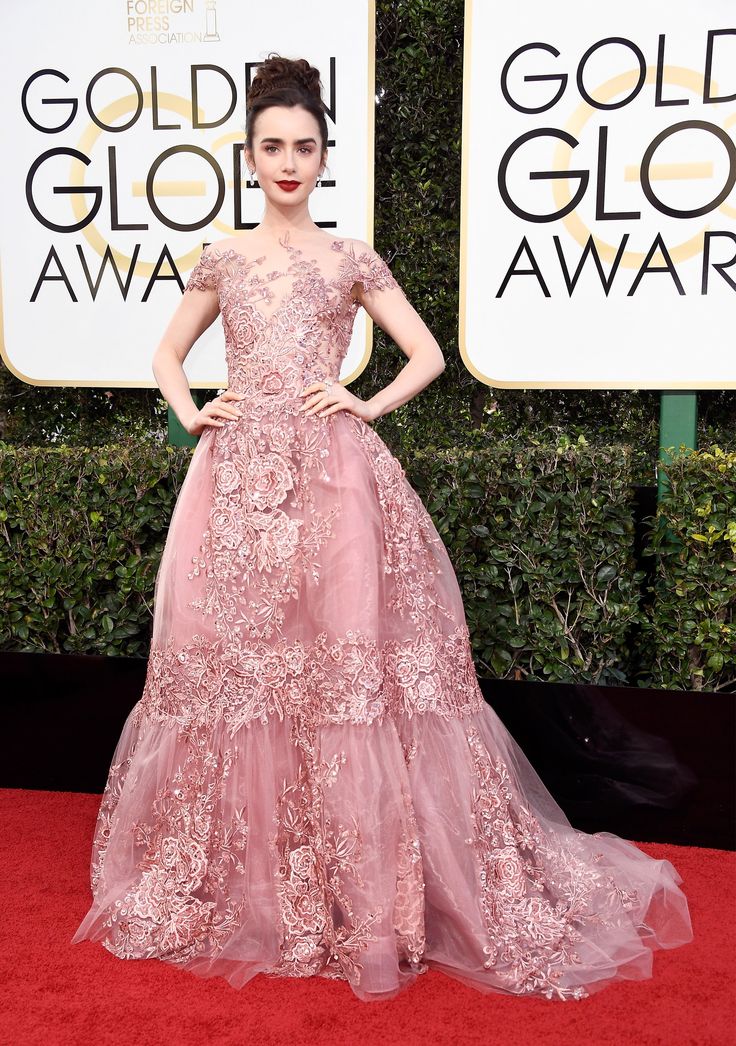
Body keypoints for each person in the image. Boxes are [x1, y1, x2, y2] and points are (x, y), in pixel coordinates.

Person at [71, 54, 693, 1003]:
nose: (290, 162)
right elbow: (166, 350)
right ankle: (259, 877)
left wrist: (361, 404)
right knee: (240, 666)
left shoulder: (349, 257)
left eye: (306, 147)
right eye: (273, 146)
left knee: (349, 670)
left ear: (325, 157)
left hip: (336, 485)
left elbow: (431, 355)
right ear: (248, 155)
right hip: (237, 487)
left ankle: (366, 893)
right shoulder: (225, 257)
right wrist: (191, 408)